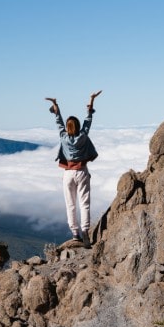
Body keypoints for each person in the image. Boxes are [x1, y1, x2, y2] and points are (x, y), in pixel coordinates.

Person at [46, 91, 101, 247]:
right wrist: (92, 99)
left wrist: (55, 105)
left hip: (68, 174)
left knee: (70, 204)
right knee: (84, 203)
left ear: (67, 127)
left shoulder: (63, 136)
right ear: (77, 126)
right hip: (82, 171)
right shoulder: (83, 136)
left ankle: (75, 233)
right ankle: (85, 231)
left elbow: (58, 121)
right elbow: (88, 120)